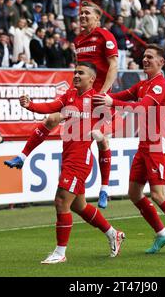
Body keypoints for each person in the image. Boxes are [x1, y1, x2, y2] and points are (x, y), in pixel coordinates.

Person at [4, 0, 118, 210]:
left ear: (97, 18)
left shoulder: (105, 35)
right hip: (81, 93)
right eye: (80, 13)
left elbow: (113, 65)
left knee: (99, 138)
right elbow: (81, 69)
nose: (82, 16)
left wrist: (102, 94)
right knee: (51, 118)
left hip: (99, 97)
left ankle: (104, 187)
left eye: (87, 13)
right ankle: (22, 156)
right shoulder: (79, 40)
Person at [16, 62, 125, 264]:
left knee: (61, 201)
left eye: (80, 73)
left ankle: (60, 252)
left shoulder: (97, 99)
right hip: (67, 156)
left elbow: (117, 120)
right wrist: (30, 105)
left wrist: (102, 132)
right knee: (79, 205)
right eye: (75, 72)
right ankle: (113, 233)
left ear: (91, 79)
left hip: (80, 160)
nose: (75, 75)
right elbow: (49, 108)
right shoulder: (69, 96)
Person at [93, 44, 165, 257]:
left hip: (157, 145)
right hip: (144, 145)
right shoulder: (143, 84)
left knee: (158, 194)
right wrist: (99, 97)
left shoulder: (161, 86)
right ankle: (161, 233)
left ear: (161, 62)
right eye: (144, 56)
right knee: (134, 193)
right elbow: (122, 95)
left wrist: (113, 102)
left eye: (150, 57)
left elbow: (141, 107)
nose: (145, 60)